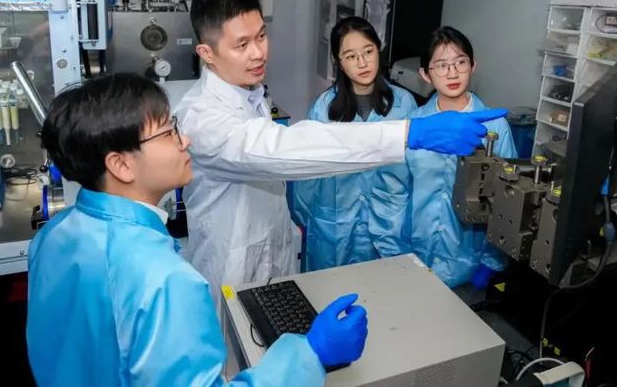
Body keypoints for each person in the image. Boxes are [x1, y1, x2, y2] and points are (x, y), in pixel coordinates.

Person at [27, 73, 369, 387]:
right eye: (167, 132)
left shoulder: (54, 234)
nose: (185, 139)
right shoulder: (164, 280)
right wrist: (312, 353)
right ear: (121, 164)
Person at [174, 0, 507, 297]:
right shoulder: (203, 117)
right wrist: (409, 133)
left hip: (276, 256)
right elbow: (286, 150)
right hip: (232, 267)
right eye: (242, 44)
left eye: (261, 35)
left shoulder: (250, 96)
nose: (259, 52)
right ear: (207, 53)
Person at [292, 17, 417, 270]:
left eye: (368, 52)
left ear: (378, 50)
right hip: (334, 226)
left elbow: (415, 169)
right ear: (339, 62)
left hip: (388, 225)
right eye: (350, 56)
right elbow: (305, 176)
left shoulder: (404, 104)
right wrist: (306, 218)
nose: (362, 63)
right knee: (329, 289)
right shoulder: (324, 108)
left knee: (385, 290)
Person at [406, 26, 518, 289]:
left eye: (460, 62)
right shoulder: (414, 126)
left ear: (473, 65)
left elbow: (507, 200)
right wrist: (394, 246)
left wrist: (492, 261)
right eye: (441, 65)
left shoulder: (495, 127)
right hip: (415, 251)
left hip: (468, 259)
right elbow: (396, 191)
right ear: (425, 74)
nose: (453, 73)